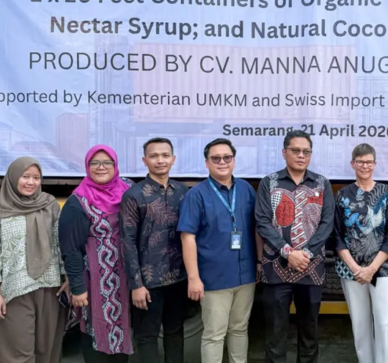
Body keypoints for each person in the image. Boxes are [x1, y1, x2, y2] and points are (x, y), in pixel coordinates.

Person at [0, 156, 69, 363]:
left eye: (36, 177)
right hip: (14, 291)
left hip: (50, 288)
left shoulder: (50, 204)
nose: (31, 182)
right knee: (18, 354)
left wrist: (68, 277)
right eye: (25, 176)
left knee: (48, 352)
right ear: (13, 177)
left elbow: (60, 242)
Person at [255, 130, 335, 363]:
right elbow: (262, 222)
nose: (301, 155)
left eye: (306, 152)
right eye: (296, 150)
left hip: (311, 269)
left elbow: (327, 223)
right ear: (284, 153)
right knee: (275, 334)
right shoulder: (269, 182)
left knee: (309, 333)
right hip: (275, 269)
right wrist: (288, 252)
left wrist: (305, 254)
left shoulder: (322, 183)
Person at [178, 138, 259, 363]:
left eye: (227, 157)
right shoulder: (196, 195)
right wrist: (193, 278)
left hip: (245, 275)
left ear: (234, 161)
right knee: (214, 334)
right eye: (216, 158)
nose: (222, 162)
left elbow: (257, 229)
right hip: (214, 278)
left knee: (239, 329)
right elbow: (187, 237)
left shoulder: (246, 189)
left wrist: (260, 262)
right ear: (207, 163)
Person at [59, 145, 135, 362]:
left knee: (125, 328)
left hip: (127, 277)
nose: (101, 167)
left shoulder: (129, 190)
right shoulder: (78, 201)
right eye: (95, 163)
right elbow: (70, 249)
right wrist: (78, 288)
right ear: (87, 166)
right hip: (96, 281)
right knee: (95, 330)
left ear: (115, 165)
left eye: (107, 162)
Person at [120, 138, 190, 363]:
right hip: (148, 282)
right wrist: (136, 285)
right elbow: (127, 242)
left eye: (165, 155)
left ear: (173, 159)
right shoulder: (134, 195)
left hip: (179, 278)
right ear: (144, 160)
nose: (160, 160)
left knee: (175, 332)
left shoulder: (183, 192)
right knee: (147, 337)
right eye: (154, 156)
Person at [334, 143, 388, 363]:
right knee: (360, 324)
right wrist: (356, 268)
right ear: (352, 164)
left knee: (385, 323)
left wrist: (371, 268)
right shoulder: (342, 195)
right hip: (351, 269)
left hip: (384, 268)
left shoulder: (387, 193)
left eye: (369, 162)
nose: (365, 166)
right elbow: (337, 236)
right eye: (360, 162)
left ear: (375, 164)